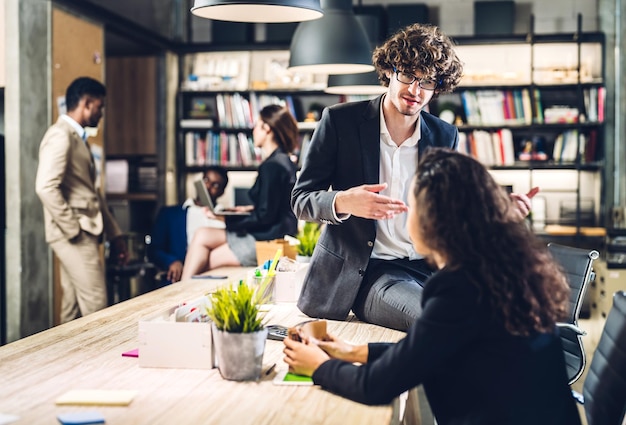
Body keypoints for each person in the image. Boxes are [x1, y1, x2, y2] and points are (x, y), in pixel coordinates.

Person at [283, 148, 581, 425]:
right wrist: (351, 351)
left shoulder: (459, 289)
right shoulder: (505, 269)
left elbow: (375, 387)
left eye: (413, 206)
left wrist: (318, 367)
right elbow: (425, 351)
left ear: (436, 220)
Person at [291, 22, 535, 331]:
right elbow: (301, 200)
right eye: (408, 75)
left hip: (432, 268)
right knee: (438, 321)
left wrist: (498, 211)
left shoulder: (444, 134)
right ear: (389, 72)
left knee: (498, 312)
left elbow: (452, 210)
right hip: (371, 273)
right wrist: (343, 201)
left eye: (428, 82)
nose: (415, 91)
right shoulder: (341, 122)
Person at [35, 76, 127, 324]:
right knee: (97, 307)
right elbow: (45, 186)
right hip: (75, 234)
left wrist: (115, 234)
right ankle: (101, 362)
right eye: (100, 106)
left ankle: (64, 361)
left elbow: (91, 193)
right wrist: (72, 229)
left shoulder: (78, 138)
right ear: (87, 103)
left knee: (72, 308)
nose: (102, 112)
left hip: (82, 231)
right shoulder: (61, 135)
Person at [179, 105, 299, 280]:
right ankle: (183, 290)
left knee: (203, 258)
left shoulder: (272, 166)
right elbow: (272, 207)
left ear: (267, 129)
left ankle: (181, 293)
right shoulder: (283, 161)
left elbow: (265, 216)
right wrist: (241, 211)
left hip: (266, 239)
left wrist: (226, 218)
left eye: (257, 125)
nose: (253, 130)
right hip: (273, 234)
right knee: (202, 235)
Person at [149, 165, 229, 284]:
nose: (208, 186)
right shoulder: (170, 214)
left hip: (216, 280)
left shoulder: (227, 218)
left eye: (215, 185)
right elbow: (153, 250)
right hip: (178, 280)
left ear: (222, 192)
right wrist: (172, 261)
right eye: (206, 180)